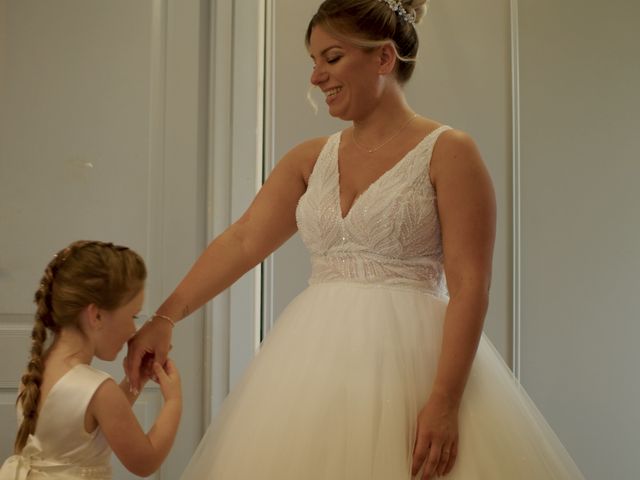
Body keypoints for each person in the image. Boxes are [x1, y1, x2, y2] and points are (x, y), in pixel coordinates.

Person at [126, 0, 585, 478]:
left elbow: (470, 285)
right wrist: (165, 318)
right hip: (314, 369)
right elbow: (243, 240)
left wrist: (445, 401)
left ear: (384, 58)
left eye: (331, 58)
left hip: (418, 370)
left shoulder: (450, 152)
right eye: (313, 62)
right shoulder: (308, 159)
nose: (316, 77)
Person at [0, 240, 182, 480]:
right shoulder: (100, 390)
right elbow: (145, 461)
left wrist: (133, 380)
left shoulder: (37, 373)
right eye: (132, 315)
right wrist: (174, 401)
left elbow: (90, 426)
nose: (133, 329)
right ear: (96, 315)